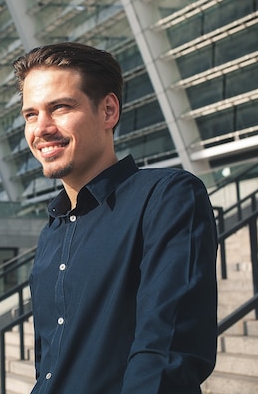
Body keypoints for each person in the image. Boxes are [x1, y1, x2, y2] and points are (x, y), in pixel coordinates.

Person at [13, 42, 218, 394]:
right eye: (31, 114)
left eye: (59, 107)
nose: (41, 128)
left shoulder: (166, 197)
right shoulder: (53, 232)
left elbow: (166, 354)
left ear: (108, 111)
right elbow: (49, 367)